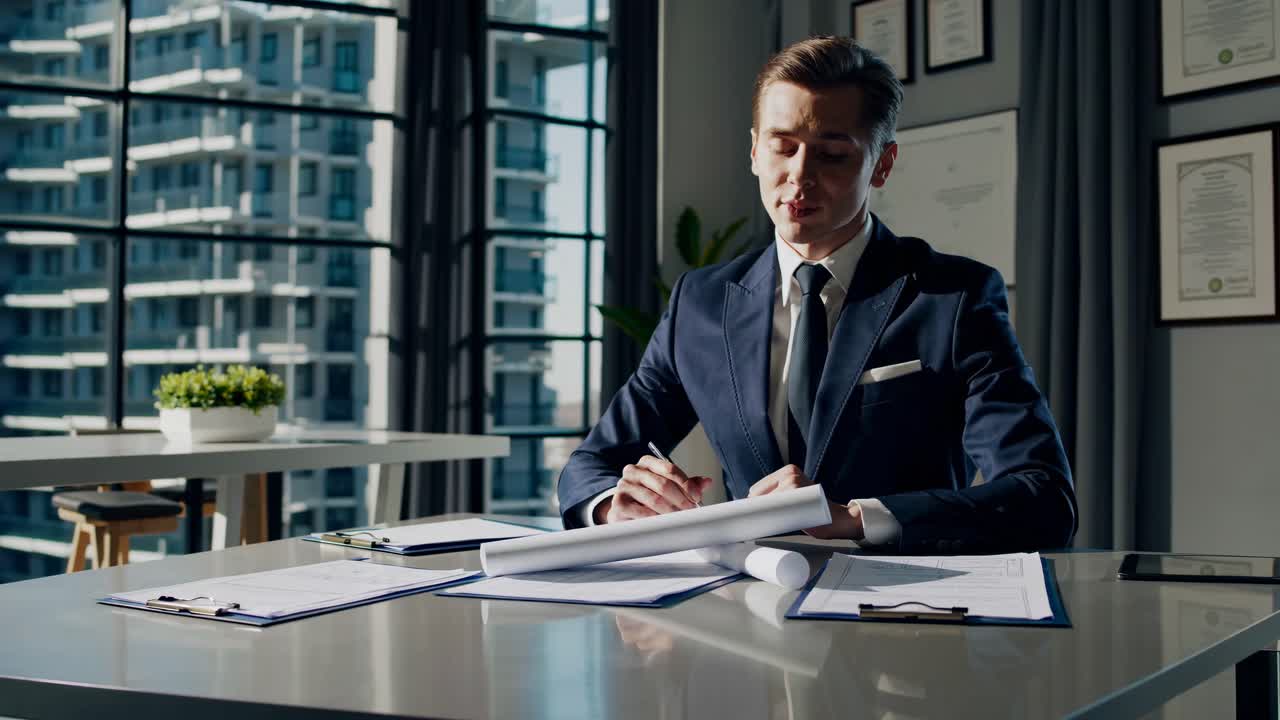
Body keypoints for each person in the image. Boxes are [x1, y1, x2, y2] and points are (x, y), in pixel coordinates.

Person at [557, 36, 1076, 554]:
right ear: (755, 151)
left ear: (882, 164)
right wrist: (611, 505)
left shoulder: (953, 298)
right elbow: (590, 467)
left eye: (831, 155)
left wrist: (854, 519)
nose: (800, 176)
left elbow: (1044, 498)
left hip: (906, 612)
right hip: (749, 611)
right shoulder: (701, 302)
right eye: (783, 147)